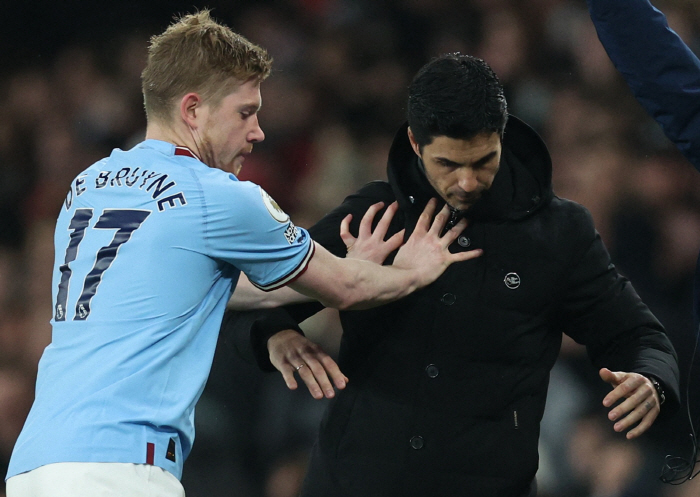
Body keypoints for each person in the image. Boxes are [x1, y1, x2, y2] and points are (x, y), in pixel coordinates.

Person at [3, 12, 481, 497]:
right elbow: (347, 289)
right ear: (193, 110)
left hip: (34, 466)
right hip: (120, 470)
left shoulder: (88, 186)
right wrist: (412, 271)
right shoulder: (216, 196)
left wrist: (349, 266)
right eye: (245, 112)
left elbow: (197, 294)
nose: (258, 132)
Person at [222, 53, 682, 497]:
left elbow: (639, 335)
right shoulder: (374, 214)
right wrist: (276, 337)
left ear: (502, 137)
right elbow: (253, 298)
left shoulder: (560, 233)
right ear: (416, 145)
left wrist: (651, 378)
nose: (466, 182)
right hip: (356, 480)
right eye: (448, 164)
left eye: (483, 161)